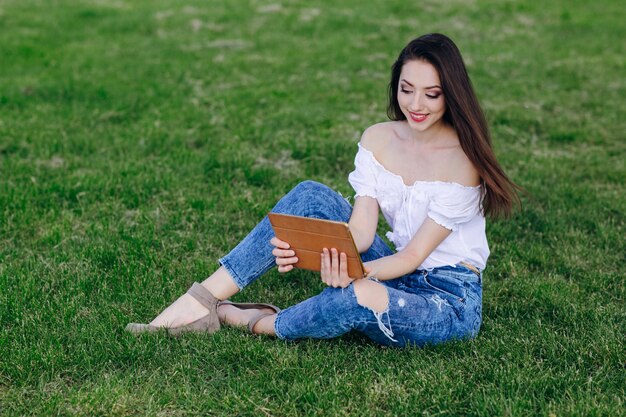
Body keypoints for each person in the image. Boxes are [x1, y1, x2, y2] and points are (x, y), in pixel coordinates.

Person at [126, 33, 520, 347]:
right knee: (311, 195)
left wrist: (354, 274)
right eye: (406, 89)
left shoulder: (463, 161)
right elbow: (363, 232)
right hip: (395, 268)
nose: (416, 104)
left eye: (432, 94)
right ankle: (200, 301)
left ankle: (256, 321)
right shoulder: (379, 138)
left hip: (446, 298)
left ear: (452, 94)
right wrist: (308, 246)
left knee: (358, 297)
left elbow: (415, 256)